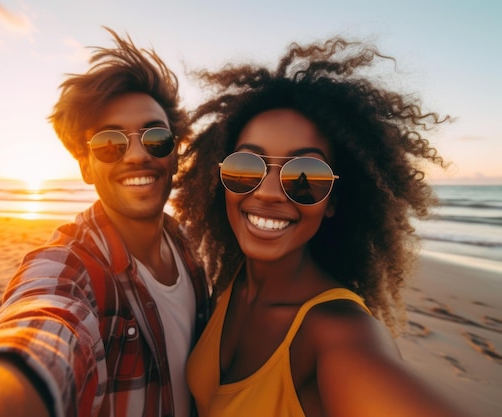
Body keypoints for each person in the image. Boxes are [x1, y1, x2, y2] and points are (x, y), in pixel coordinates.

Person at [0, 28, 210, 417]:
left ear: (175, 155)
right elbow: (41, 328)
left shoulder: (188, 244)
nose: (137, 155)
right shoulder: (72, 268)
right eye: (111, 143)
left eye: (155, 137)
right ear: (86, 167)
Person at [173, 38, 470, 417]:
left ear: (332, 200)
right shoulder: (230, 285)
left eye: (305, 175)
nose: (267, 193)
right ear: (218, 179)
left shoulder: (339, 334)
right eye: (247, 165)